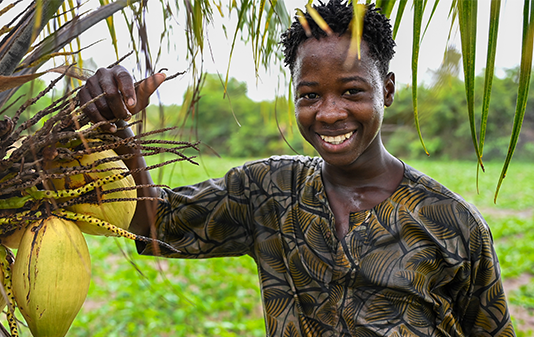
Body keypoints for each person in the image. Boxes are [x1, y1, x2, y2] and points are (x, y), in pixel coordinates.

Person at [78, 1, 515, 336]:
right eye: (309, 95)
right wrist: (117, 124)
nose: (328, 113)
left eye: (351, 91)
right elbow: (154, 224)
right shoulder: (268, 190)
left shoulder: (453, 223)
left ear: (388, 89)